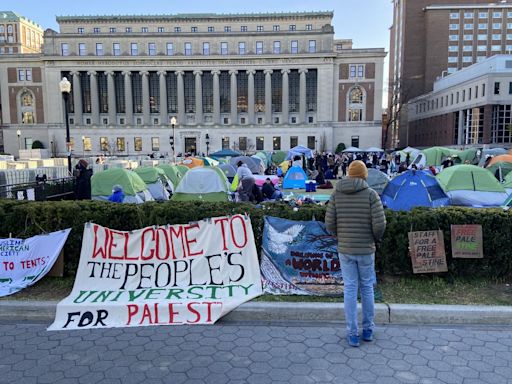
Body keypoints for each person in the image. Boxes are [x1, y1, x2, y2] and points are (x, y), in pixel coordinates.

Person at [325, 160, 386, 347]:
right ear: (364, 175)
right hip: (366, 249)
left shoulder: (337, 193)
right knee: (367, 288)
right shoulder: (371, 195)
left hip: (345, 249)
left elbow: (329, 224)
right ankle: (368, 330)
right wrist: (375, 238)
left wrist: (339, 235)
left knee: (350, 289)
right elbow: (380, 224)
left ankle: (352, 333)